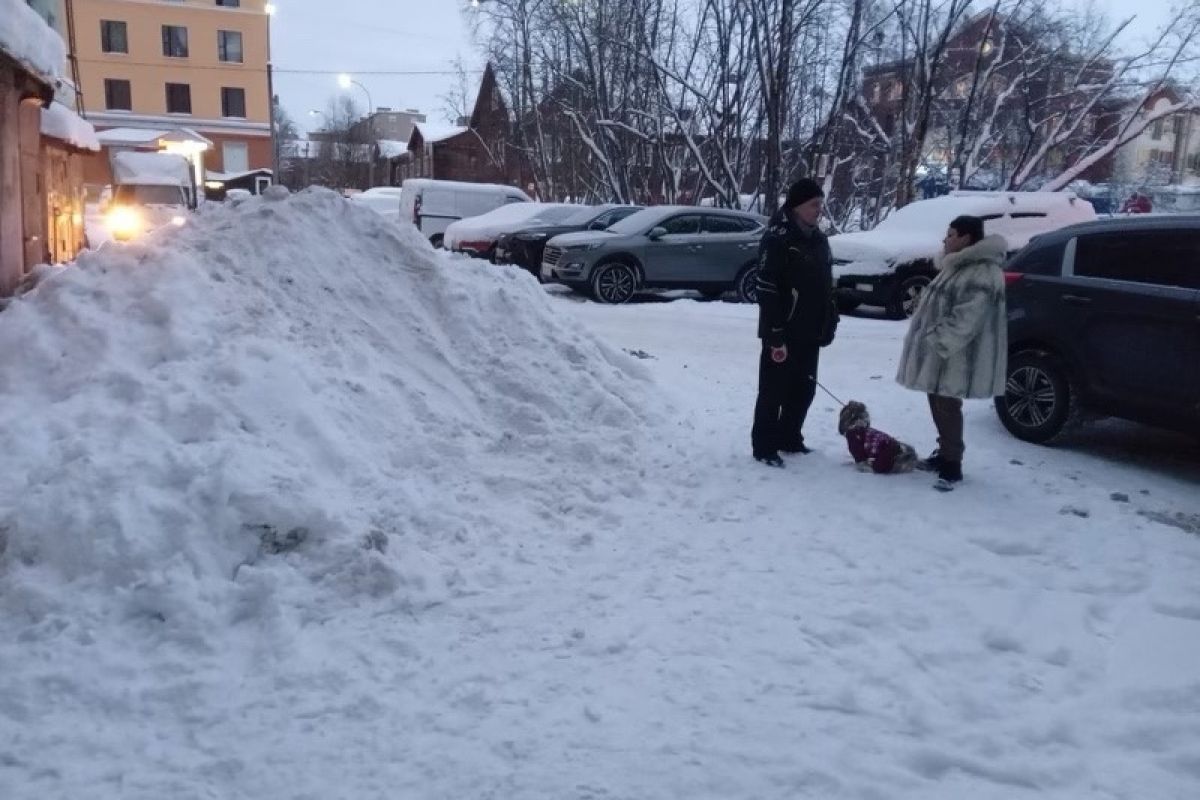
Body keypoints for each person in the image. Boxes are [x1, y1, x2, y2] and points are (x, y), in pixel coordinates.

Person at [895, 215, 1007, 491]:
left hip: (957, 354)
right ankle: (944, 452)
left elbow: (970, 316)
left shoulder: (982, 271)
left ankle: (952, 464)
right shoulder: (957, 265)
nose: (945, 240)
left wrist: (939, 338)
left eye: (951, 235)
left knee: (947, 406)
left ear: (966, 238)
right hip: (942, 353)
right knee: (938, 401)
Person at [751, 179, 839, 468]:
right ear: (797, 205)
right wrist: (774, 331)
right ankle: (764, 446)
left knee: (804, 388)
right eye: (814, 205)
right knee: (774, 389)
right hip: (783, 329)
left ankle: (789, 436)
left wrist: (831, 318)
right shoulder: (778, 237)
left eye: (820, 205)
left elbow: (827, 284)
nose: (819, 210)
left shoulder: (819, 239)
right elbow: (766, 286)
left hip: (811, 330)